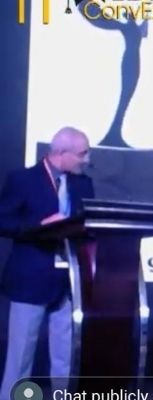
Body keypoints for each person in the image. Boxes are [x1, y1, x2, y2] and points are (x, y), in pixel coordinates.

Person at [0, 127, 94, 398]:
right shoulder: (23, 179)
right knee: (21, 357)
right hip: (31, 280)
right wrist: (39, 226)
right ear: (61, 153)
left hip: (68, 280)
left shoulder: (83, 184)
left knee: (65, 356)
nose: (86, 160)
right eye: (82, 154)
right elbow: (3, 220)